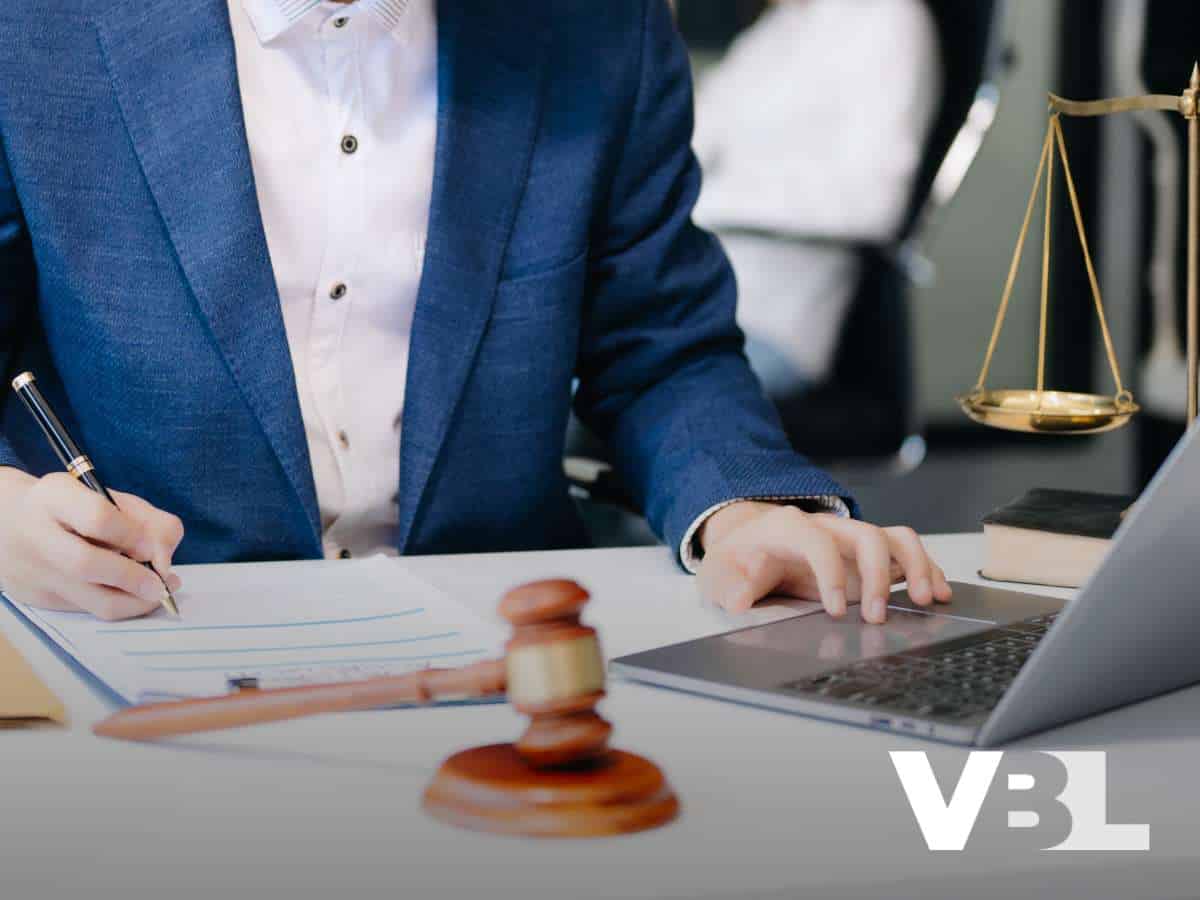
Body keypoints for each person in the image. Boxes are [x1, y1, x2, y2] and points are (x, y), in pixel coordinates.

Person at [0, 0, 950, 624]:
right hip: (142, 625)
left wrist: (747, 508)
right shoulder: (32, 32)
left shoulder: (599, 29)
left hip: (501, 639)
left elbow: (660, 347)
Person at [691, 0, 942, 398]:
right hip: (686, 305)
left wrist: (706, 200)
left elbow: (871, 203)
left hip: (767, 323)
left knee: (571, 390)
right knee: (563, 356)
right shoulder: (776, 27)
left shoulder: (886, 20)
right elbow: (694, 139)